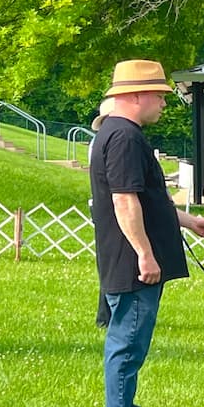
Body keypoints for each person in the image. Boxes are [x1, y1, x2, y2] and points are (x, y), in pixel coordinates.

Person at [89, 59, 204, 407]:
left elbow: (148, 199)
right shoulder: (125, 138)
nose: (165, 102)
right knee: (127, 345)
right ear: (134, 95)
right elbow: (125, 202)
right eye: (159, 95)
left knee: (128, 342)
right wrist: (145, 255)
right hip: (133, 262)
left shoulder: (117, 134)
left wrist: (188, 221)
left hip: (127, 258)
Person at [89, 97, 115, 329]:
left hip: (100, 207)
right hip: (111, 210)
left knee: (108, 265)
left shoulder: (99, 141)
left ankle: (105, 316)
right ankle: (105, 316)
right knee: (112, 266)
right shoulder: (112, 142)